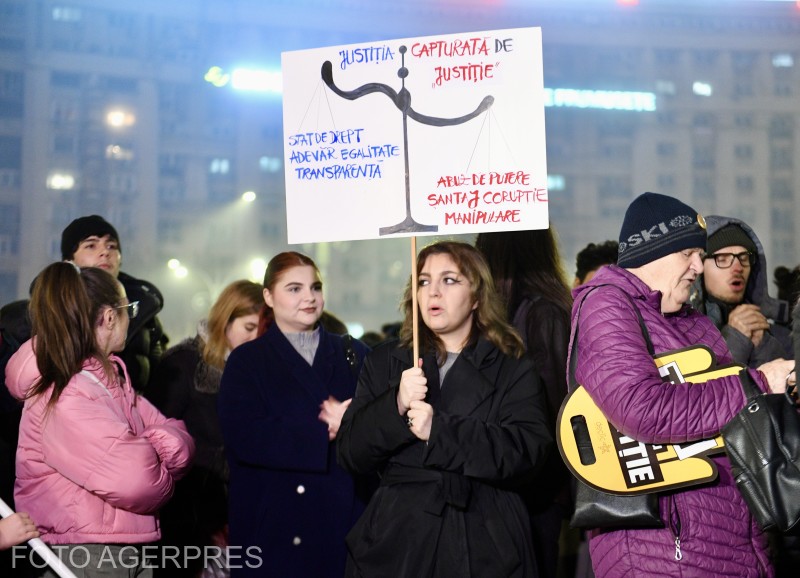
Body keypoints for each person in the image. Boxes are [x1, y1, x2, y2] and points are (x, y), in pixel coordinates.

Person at [572, 192, 793, 577]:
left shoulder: (688, 318)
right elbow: (642, 408)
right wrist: (757, 383)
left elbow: (725, 417)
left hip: (726, 537)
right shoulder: (608, 305)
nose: (697, 265)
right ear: (650, 251)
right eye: (688, 253)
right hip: (662, 549)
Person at [338, 240, 553, 577]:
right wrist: (395, 403)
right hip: (396, 540)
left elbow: (526, 452)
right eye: (424, 281)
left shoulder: (512, 366)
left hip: (484, 539)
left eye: (449, 280)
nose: (433, 292)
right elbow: (351, 453)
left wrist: (439, 432)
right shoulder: (386, 362)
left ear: (477, 296)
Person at [5, 262, 194, 577]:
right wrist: (153, 446)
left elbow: (179, 438)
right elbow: (138, 480)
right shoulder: (67, 391)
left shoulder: (106, 378)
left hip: (113, 549)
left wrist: (146, 447)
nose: (130, 318)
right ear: (109, 317)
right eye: (128, 309)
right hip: (86, 554)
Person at [217, 252, 371, 578]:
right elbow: (245, 436)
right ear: (269, 297)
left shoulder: (352, 353)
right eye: (294, 288)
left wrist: (356, 421)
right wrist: (324, 431)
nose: (309, 298)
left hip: (341, 524)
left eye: (315, 287)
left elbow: (379, 428)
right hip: (272, 529)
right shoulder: (246, 361)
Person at [146, 280, 263, 577]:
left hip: (240, 508)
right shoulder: (185, 364)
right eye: (249, 328)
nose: (256, 338)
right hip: (191, 512)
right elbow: (157, 435)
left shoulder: (258, 370)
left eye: (263, 331)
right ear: (225, 320)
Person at [475, 228, 572, 578]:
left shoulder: (541, 313)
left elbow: (553, 408)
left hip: (532, 490)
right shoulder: (505, 313)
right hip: (512, 485)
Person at [61, 215, 169, 391]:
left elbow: (161, 381)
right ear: (68, 261)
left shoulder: (143, 311)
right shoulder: (49, 311)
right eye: (91, 245)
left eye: (111, 246)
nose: (105, 252)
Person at [688, 216, 792, 367]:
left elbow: (781, 385)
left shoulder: (774, 333)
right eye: (722, 259)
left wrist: (761, 343)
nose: (738, 268)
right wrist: (735, 338)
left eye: (744, 258)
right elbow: (702, 388)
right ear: (699, 269)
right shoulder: (680, 329)